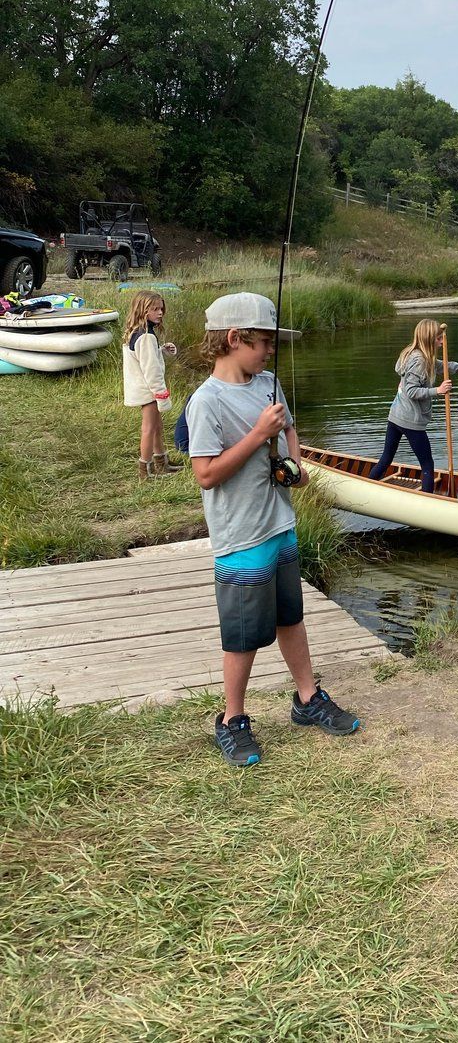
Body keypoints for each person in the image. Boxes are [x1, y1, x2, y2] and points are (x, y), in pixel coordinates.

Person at [186, 292, 359, 768]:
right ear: (232, 338)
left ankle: (307, 699)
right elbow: (206, 474)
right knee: (242, 636)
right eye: (263, 342)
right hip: (240, 537)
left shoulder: (269, 383)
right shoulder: (206, 402)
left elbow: (290, 432)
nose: (268, 352)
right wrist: (259, 434)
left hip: (280, 524)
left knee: (291, 617)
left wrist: (295, 464)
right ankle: (232, 720)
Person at [369, 317, 458, 492]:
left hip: (396, 417)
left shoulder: (418, 355)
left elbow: (446, 366)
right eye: (438, 338)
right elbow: (411, 391)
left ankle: (367, 485)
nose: (442, 342)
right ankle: (428, 500)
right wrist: (438, 390)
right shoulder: (419, 361)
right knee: (427, 465)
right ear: (429, 339)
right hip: (410, 421)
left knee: (386, 458)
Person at [122, 289, 179, 479]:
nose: (160, 312)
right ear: (143, 310)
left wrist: (160, 350)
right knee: (149, 428)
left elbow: (142, 358)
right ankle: (144, 470)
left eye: (161, 308)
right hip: (148, 390)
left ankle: (161, 462)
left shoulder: (137, 332)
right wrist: (161, 395)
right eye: (155, 309)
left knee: (156, 426)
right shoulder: (146, 337)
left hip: (142, 388)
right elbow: (152, 371)